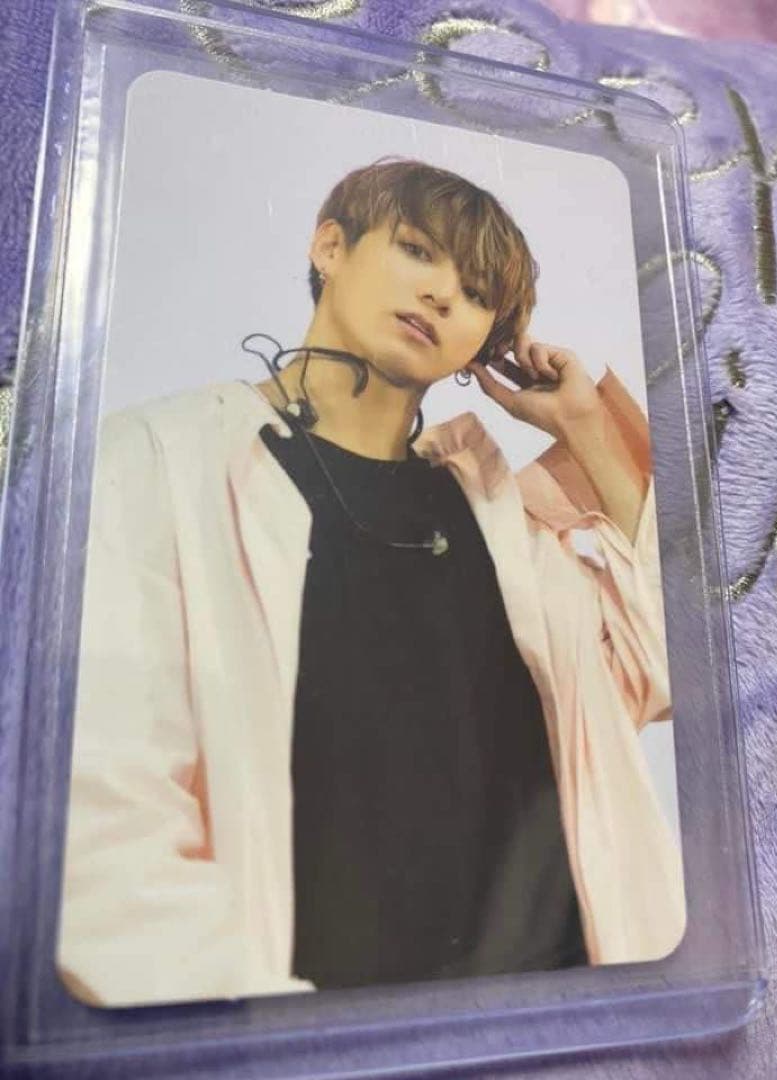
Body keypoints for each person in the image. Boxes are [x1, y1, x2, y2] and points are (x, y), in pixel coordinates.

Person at [58, 159, 685, 1009]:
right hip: (313, 1029)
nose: (440, 294)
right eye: (418, 250)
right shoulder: (157, 461)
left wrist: (586, 429)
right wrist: (265, 1034)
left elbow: (668, 671)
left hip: (568, 1020)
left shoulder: (510, 524)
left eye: (474, 293)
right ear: (329, 246)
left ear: (483, 344)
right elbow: (106, 809)